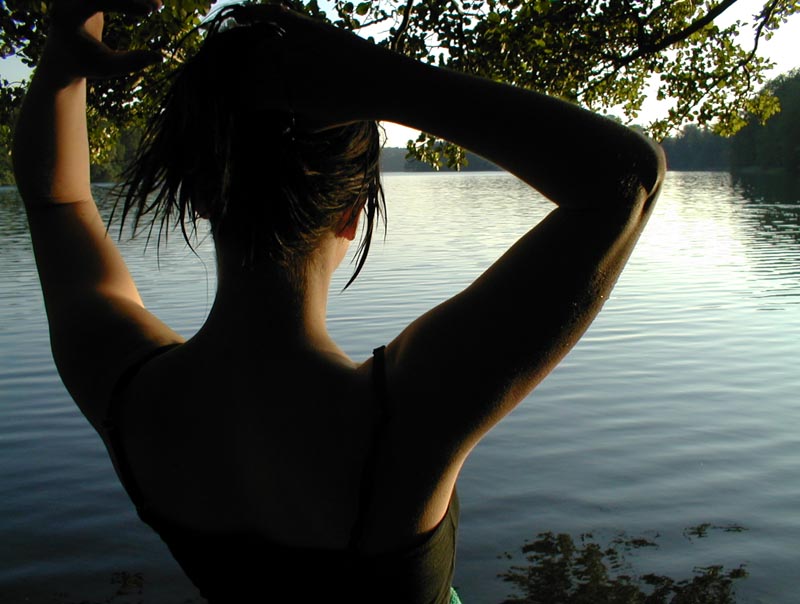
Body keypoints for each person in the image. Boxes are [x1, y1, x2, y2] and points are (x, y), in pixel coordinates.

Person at [12, 0, 666, 602]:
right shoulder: (402, 421)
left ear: (202, 196)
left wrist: (62, 71)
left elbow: (57, 199)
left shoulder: (127, 395)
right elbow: (625, 177)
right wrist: (375, 79)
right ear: (353, 213)